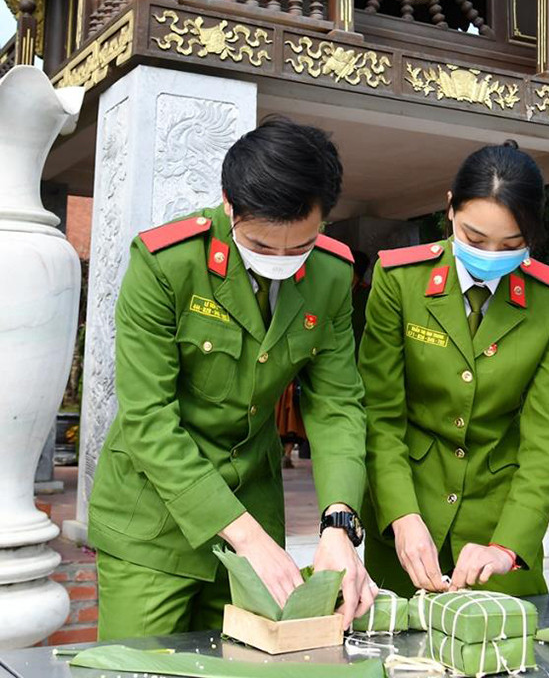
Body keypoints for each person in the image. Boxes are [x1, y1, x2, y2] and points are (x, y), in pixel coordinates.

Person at [89, 116, 376, 637]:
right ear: (229, 203)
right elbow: (148, 418)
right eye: (262, 246)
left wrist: (339, 523)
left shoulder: (332, 273)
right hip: (152, 520)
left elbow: (337, 405)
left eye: (300, 246)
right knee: (141, 666)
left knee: (248, 661)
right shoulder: (167, 264)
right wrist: (247, 537)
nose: (281, 261)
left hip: (255, 505)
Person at [358, 140, 549, 598]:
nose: (490, 255)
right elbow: (380, 414)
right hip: (406, 522)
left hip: (497, 527)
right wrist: (401, 514)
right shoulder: (400, 282)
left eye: (511, 245)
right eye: (475, 240)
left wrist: (508, 546)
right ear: (450, 208)